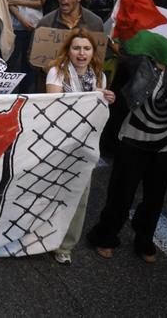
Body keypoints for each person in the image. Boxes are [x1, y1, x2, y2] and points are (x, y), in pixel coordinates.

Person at [86, 54, 167, 263]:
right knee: (122, 192)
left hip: (163, 145)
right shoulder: (138, 63)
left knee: (155, 197)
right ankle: (105, 235)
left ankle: (144, 239)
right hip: (132, 140)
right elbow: (120, 93)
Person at [44, 28, 115, 265]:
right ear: (68, 50)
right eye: (76, 48)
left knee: (79, 195)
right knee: (50, 191)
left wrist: (105, 99)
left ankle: (66, 244)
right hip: (59, 143)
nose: (81, 53)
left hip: (85, 146)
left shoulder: (99, 76)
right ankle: (41, 236)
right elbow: (55, 107)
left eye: (86, 48)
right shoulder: (57, 72)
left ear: (93, 52)